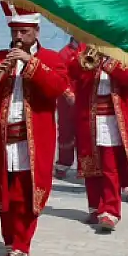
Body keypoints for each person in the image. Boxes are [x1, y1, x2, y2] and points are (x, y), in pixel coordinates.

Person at [0, 3, 69, 256]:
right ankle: (11, 244)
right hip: (1, 139)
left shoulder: (50, 58)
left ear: (36, 31)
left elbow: (57, 87)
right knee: (5, 192)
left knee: (27, 193)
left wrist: (30, 63)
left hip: (32, 140)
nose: (19, 37)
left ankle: (21, 249)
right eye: (15, 32)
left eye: (24, 32)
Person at [68, 44, 128, 233]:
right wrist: (86, 61)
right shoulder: (86, 47)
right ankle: (95, 207)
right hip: (89, 116)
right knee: (90, 163)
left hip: (114, 118)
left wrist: (109, 61)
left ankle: (111, 211)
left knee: (110, 164)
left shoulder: (127, 50)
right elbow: (72, 70)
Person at [53, 39, 82, 180]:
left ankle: (85, 165)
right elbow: (60, 77)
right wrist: (68, 94)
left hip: (85, 99)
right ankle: (64, 163)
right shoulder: (64, 53)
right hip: (67, 102)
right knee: (66, 132)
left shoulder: (91, 50)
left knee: (85, 133)